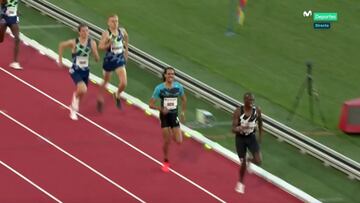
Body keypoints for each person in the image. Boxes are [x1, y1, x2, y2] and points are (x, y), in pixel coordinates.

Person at [58, 24, 99, 120]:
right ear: (79, 32)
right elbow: (61, 45)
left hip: (85, 70)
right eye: (84, 31)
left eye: (87, 31)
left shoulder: (92, 43)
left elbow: (96, 58)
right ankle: (73, 109)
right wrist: (60, 60)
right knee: (82, 89)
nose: (86, 33)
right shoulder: (74, 42)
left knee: (82, 93)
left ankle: (73, 104)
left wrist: (96, 55)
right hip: (75, 70)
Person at [149, 67, 187, 172]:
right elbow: (150, 104)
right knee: (167, 141)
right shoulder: (159, 88)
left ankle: (173, 131)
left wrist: (183, 112)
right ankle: (165, 161)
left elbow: (184, 99)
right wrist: (160, 108)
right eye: (169, 74)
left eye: (172, 74)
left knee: (179, 141)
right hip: (164, 116)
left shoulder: (178, 87)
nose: (171, 76)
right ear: (165, 75)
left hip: (174, 116)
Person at [232, 92, 263, 194]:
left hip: (251, 137)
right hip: (240, 139)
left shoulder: (257, 110)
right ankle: (240, 182)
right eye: (250, 100)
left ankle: (250, 160)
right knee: (243, 163)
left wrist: (260, 136)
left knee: (258, 160)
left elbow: (261, 123)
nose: (252, 102)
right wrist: (240, 128)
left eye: (253, 100)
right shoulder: (238, 111)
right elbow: (233, 129)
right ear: (244, 101)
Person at [97, 14, 128, 112]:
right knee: (106, 81)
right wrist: (109, 43)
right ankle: (100, 97)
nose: (115, 23)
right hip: (109, 60)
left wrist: (126, 50)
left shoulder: (122, 31)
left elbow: (126, 37)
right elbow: (100, 47)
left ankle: (117, 94)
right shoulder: (106, 33)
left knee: (123, 83)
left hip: (119, 59)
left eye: (117, 21)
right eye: (113, 21)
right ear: (108, 23)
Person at [0, 0, 22, 69]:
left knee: (17, 38)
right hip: (4, 17)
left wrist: (16, 11)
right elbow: (2, 4)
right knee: (1, 39)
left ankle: (15, 62)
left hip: (13, 19)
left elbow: (14, 5)